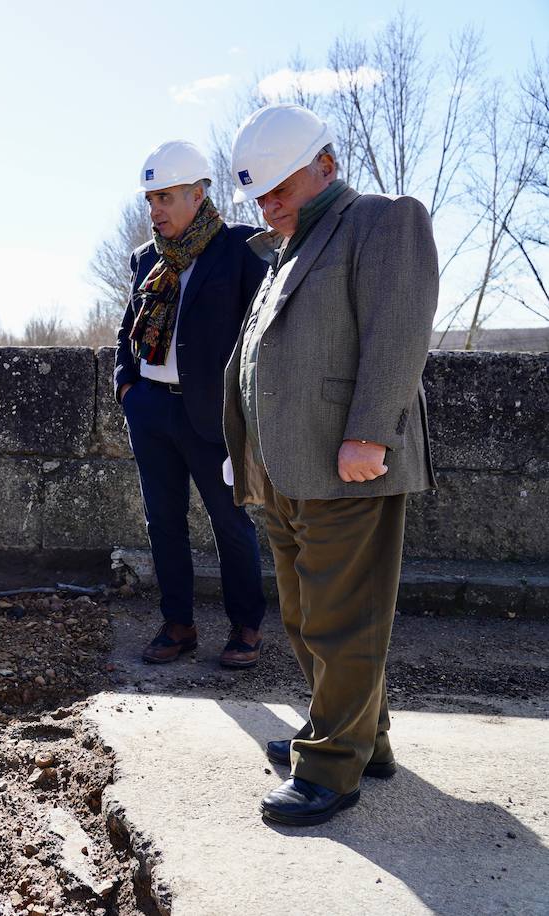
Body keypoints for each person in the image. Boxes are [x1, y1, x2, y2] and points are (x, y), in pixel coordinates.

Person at [223, 103, 439, 826]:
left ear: (328, 164)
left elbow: (400, 327)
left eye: (283, 187)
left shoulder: (382, 220)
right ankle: (362, 740)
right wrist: (243, 451)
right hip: (287, 471)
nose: (270, 204)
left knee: (343, 620)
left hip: (348, 464)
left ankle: (331, 770)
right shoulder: (285, 247)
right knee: (308, 615)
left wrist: (371, 433)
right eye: (261, 195)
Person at [115, 141, 269, 668]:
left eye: (164, 198)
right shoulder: (145, 260)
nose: (154, 210)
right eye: (150, 200)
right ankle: (178, 625)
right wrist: (126, 386)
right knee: (163, 521)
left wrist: (246, 411)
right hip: (152, 411)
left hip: (214, 416)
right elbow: (127, 330)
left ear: (198, 195)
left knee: (230, 522)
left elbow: (261, 337)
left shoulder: (241, 250)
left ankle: (245, 627)